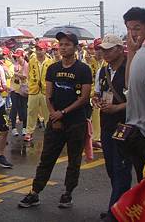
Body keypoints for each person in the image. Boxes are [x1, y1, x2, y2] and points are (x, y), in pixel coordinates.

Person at [19, 31, 92, 210]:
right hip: (56, 122)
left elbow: (84, 97)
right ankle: (35, 192)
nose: (63, 47)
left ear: (75, 48)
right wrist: (54, 115)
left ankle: (68, 193)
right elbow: (48, 95)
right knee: (47, 158)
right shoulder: (53, 68)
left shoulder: (83, 69)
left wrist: (64, 113)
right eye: (61, 44)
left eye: (67, 44)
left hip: (76, 122)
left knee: (74, 160)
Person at [93, 34, 131, 221]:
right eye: (103, 49)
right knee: (111, 167)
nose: (105, 53)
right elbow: (97, 92)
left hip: (126, 126)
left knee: (121, 168)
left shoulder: (130, 70)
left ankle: (114, 212)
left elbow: (139, 99)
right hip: (107, 124)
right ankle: (121, 207)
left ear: (119, 49)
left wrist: (117, 107)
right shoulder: (103, 70)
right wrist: (96, 99)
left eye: (109, 49)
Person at [122, 7, 145, 181]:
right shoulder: (139, 53)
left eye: (136, 29)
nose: (132, 34)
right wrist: (131, 52)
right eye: (128, 29)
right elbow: (128, 84)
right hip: (137, 133)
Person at [24, 42, 54, 142]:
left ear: (45, 50)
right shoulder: (32, 61)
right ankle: (29, 132)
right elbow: (28, 74)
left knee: (47, 112)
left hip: (46, 91)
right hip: (34, 90)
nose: (38, 51)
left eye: (41, 49)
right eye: (37, 49)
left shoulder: (50, 62)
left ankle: (49, 130)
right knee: (31, 111)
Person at [10, 48, 29, 137]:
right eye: (16, 57)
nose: (17, 59)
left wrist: (17, 74)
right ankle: (13, 127)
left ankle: (25, 127)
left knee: (24, 108)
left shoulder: (26, 65)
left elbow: (25, 77)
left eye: (19, 57)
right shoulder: (15, 65)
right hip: (14, 88)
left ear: (23, 56)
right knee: (14, 107)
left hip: (24, 90)